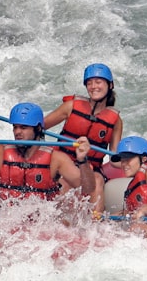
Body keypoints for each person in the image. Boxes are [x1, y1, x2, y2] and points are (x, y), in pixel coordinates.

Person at [0, 102, 94, 207]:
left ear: (38, 129)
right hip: (3, 219)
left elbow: (87, 189)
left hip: (39, 225)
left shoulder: (56, 159)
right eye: (15, 127)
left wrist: (82, 160)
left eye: (24, 127)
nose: (17, 132)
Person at [44, 63, 123, 213]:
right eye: (89, 83)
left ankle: (95, 225)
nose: (93, 86)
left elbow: (114, 156)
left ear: (110, 85)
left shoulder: (115, 120)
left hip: (90, 168)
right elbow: (39, 127)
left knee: (98, 180)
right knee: (65, 183)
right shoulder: (71, 106)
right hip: (62, 164)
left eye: (98, 82)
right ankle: (59, 225)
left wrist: (136, 162)